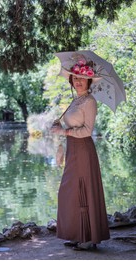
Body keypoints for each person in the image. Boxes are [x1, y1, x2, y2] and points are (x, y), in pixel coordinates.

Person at [51, 58, 110, 250]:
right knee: (70, 191)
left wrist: (64, 132)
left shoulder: (90, 101)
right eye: (75, 77)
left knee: (83, 189)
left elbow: (87, 130)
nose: (78, 81)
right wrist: (60, 126)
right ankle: (77, 234)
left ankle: (88, 237)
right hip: (72, 149)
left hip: (83, 148)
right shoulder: (76, 100)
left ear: (89, 81)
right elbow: (73, 124)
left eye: (82, 78)